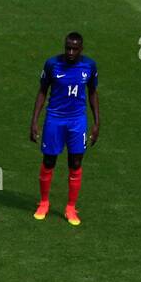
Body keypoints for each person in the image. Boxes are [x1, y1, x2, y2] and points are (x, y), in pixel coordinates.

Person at [29, 32, 99, 226]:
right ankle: (44, 203)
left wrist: (97, 122)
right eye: (67, 47)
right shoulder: (52, 64)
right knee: (49, 160)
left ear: (81, 49)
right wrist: (34, 120)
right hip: (55, 120)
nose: (70, 52)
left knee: (75, 162)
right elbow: (42, 91)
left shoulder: (89, 66)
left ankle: (70, 208)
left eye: (74, 49)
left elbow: (93, 93)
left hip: (77, 121)